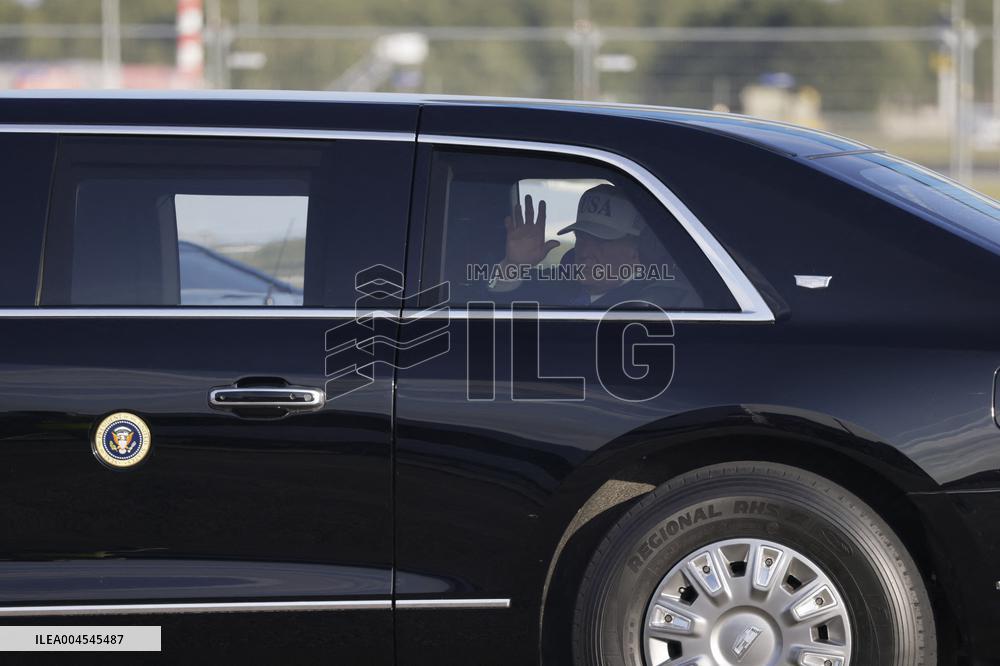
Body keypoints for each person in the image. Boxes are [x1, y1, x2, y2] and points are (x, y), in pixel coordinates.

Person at [488, 183, 700, 308]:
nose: (586, 252)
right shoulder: (560, 283)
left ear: (637, 250)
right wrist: (513, 265)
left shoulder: (655, 304)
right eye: (581, 237)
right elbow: (489, 310)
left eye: (602, 240)